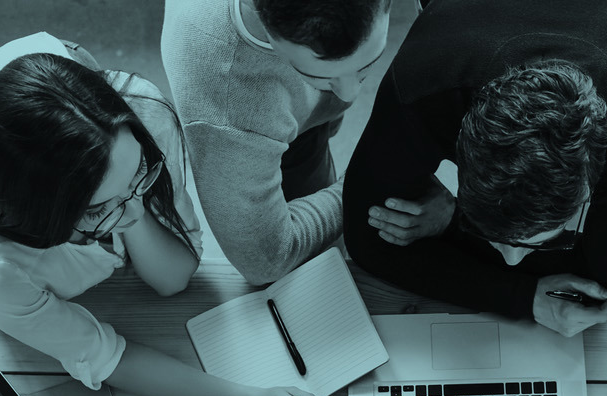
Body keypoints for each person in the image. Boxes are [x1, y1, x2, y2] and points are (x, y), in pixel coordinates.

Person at [0, 34, 331, 396]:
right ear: (44, 214)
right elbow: (105, 356)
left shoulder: (141, 116)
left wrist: (123, 198)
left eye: (140, 174)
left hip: (45, 68)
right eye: (100, 208)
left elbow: (173, 277)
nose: (138, 212)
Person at [343, 0, 607, 337]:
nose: (511, 262)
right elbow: (365, 235)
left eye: (537, 243)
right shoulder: (425, 85)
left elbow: (601, 286)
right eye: (489, 232)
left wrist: (450, 224)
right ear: (460, 144)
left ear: (588, 191)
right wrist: (522, 294)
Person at [163, 0, 441, 284]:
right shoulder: (229, 103)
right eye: (319, 76)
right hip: (251, 120)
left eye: (367, 64)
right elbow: (266, 261)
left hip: (298, 126)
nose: (350, 95)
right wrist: (371, 182)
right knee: (309, 270)